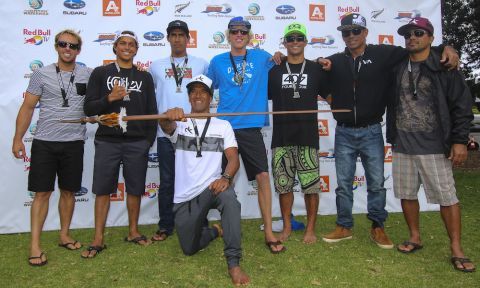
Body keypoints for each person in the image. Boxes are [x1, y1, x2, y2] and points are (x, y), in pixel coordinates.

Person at [321, 13, 459, 249]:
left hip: (372, 130)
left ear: (365, 33)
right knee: (343, 184)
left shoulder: (384, 54)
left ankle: (378, 227)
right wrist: (330, 95)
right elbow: (316, 78)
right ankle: (344, 225)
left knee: (376, 183)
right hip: (343, 132)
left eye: (356, 31)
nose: (351, 36)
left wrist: (448, 47)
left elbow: (418, 48)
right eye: (346, 32)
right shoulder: (334, 61)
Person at [387, 17, 475, 272]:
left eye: (418, 33)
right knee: (406, 194)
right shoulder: (398, 65)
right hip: (402, 144)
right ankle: (414, 236)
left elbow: (461, 106)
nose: (412, 37)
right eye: (408, 34)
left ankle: (456, 247)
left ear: (430, 38)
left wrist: (459, 141)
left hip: (434, 146)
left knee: (447, 198)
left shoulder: (445, 67)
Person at [159, 74, 250, 285]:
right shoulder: (180, 123)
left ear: (211, 98)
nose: (197, 95)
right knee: (189, 249)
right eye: (193, 91)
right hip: (185, 197)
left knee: (229, 199)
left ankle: (234, 263)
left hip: (212, 186)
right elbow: (165, 125)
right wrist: (167, 116)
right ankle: (215, 230)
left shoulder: (223, 126)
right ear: (189, 98)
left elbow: (233, 158)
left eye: (203, 91)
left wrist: (226, 177)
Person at [12, 29, 91, 266]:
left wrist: (137, 69)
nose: (68, 49)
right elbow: (27, 108)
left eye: (73, 46)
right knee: (42, 193)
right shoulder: (40, 74)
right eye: (63, 44)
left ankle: (64, 234)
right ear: (56, 46)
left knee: (68, 191)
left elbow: (112, 81)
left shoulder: (88, 74)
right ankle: (34, 245)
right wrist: (18, 138)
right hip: (45, 143)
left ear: (79, 50)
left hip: (74, 143)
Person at [207, 16, 285, 254]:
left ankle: (269, 232)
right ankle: (218, 225)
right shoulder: (217, 61)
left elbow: (287, 63)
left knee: (262, 176)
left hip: (251, 127)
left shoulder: (263, 58)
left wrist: (280, 55)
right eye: (234, 32)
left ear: (249, 36)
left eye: (243, 31)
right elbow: (204, 90)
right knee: (223, 178)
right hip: (225, 127)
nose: (239, 35)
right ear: (228, 35)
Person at [81, 31, 158, 258]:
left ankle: (133, 231)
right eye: (122, 43)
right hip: (108, 141)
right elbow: (88, 109)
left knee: (135, 188)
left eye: (131, 44)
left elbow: (152, 112)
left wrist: (147, 141)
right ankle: (98, 238)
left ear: (136, 49)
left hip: (137, 143)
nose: (127, 47)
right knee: (103, 190)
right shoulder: (101, 73)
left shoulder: (144, 77)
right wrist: (109, 99)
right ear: (115, 47)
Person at [268, 22, 328, 244]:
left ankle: (310, 229)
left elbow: (331, 95)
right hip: (281, 138)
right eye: (290, 38)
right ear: (284, 42)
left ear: (305, 41)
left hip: (308, 138)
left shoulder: (316, 69)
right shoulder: (274, 70)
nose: (294, 42)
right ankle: (286, 226)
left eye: (298, 38)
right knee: (284, 186)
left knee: (311, 188)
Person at [149, 20, 209, 242]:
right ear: (168, 38)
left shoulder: (201, 64)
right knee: (167, 180)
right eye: (173, 35)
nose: (177, 39)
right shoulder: (155, 66)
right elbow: (150, 94)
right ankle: (166, 225)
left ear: (188, 38)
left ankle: (199, 221)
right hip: (166, 131)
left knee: (196, 180)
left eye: (181, 35)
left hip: (193, 131)